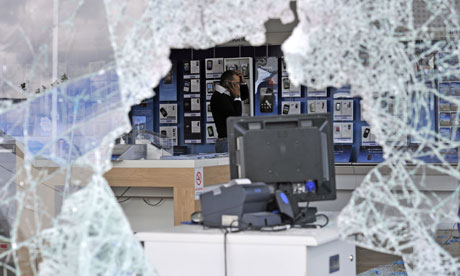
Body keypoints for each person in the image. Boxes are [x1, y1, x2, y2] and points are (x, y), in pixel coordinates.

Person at [210, 70, 249, 153]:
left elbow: (245, 96)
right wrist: (237, 96)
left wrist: (243, 83)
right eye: (237, 83)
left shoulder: (227, 94)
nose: (238, 86)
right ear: (228, 83)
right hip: (225, 141)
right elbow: (235, 118)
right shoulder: (219, 97)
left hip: (229, 140)